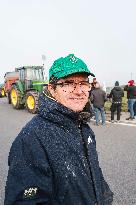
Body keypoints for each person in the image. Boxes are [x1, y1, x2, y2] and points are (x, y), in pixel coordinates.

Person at [5, 54, 113, 205]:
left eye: (83, 83)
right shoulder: (31, 140)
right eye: (68, 83)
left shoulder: (84, 127)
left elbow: (94, 174)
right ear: (52, 89)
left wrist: (105, 198)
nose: (79, 91)